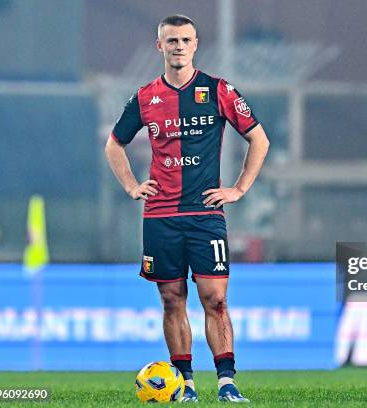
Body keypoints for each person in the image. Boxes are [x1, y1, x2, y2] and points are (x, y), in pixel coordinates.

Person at [105, 14, 269, 403]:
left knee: (216, 299)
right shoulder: (145, 97)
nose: (179, 46)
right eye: (171, 41)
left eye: (186, 40)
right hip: (160, 215)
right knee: (171, 299)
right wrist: (131, 185)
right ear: (159, 46)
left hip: (205, 214)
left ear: (196, 45)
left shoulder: (219, 90)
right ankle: (186, 385)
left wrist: (239, 189)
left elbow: (259, 140)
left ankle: (227, 382)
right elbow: (114, 145)